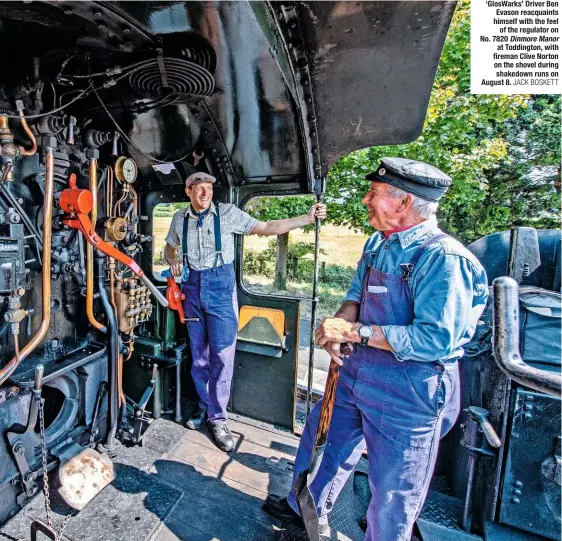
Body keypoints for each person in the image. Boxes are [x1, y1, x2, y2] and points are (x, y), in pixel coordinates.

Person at [265, 158, 489, 540]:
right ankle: (303, 511)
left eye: (376, 193)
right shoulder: (377, 243)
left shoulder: (444, 260)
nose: (366, 199)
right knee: (324, 444)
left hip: (410, 387)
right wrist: (339, 327)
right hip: (357, 371)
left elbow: (436, 339)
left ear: (404, 204)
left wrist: (357, 332)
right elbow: (355, 295)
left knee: (393, 493)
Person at [164, 171, 326, 453]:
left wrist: (307, 218)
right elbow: (169, 248)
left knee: (223, 357)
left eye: (209, 188)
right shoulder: (179, 218)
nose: (205, 194)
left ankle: (218, 419)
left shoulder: (226, 213)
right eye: (199, 189)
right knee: (199, 358)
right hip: (191, 290)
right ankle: (205, 406)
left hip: (221, 291)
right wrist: (173, 259)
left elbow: (267, 227)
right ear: (188, 191)